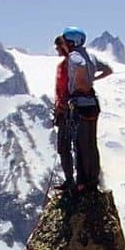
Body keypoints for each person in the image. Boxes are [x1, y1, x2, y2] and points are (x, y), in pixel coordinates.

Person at [61, 26, 112, 192]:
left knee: (80, 143)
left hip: (80, 103)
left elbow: (80, 66)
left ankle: (83, 182)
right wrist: (93, 80)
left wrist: (81, 84)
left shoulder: (74, 56)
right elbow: (108, 70)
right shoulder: (90, 55)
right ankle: (93, 178)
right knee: (91, 142)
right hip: (92, 103)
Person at [52, 35, 75, 190]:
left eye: (58, 47)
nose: (56, 50)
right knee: (64, 147)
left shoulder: (72, 65)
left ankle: (72, 182)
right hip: (63, 110)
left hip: (69, 111)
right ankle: (70, 180)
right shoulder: (63, 66)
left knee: (67, 147)